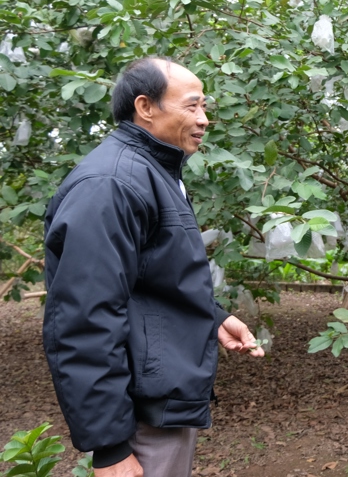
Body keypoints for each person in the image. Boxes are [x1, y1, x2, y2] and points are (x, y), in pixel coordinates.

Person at [42, 57, 264, 477]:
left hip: (157, 403)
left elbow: (150, 279)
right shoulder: (112, 184)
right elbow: (84, 317)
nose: (204, 119)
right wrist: (109, 446)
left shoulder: (152, 171)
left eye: (204, 107)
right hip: (139, 420)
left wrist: (212, 319)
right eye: (192, 106)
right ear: (145, 107)